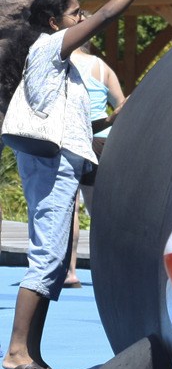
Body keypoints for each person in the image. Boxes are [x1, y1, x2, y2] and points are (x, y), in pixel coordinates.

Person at [0, 0, 172, 369]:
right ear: (53, 22)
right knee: (46, 255)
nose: (83, 20)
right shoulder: (49, 48)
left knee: (54, 256)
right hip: (51, 165)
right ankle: (14, 352)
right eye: (75, 14)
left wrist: (116, 118)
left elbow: (75, 125)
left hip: (60, 161)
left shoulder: (63, 67)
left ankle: (31, 352)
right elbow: (108, 16)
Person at [64, 38, 126, 286]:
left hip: (70, 138)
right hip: (101, 140)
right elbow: (121, 104)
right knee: (98, 209)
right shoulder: (101, 67)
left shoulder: (62, 62)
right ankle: (110, 268)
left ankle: (70, 271)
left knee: (69, 209)